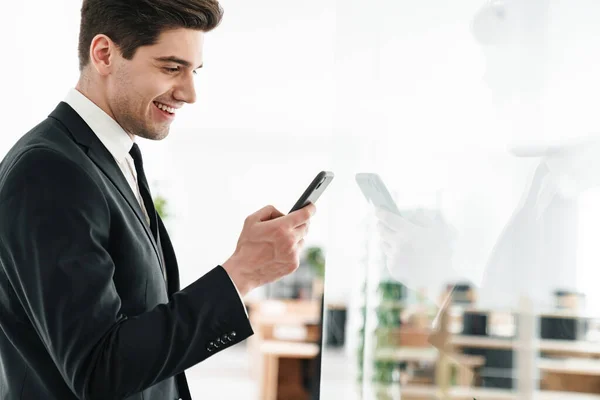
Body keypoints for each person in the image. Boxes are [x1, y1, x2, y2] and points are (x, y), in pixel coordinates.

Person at [0, 1, 316, 399]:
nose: (190, 92)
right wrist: (240, 274)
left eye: (194, 70)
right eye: (171, 68)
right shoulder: (49, 171)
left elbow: (138, 327)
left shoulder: (112, 156)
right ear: (104, 54)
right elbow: (98, 370)